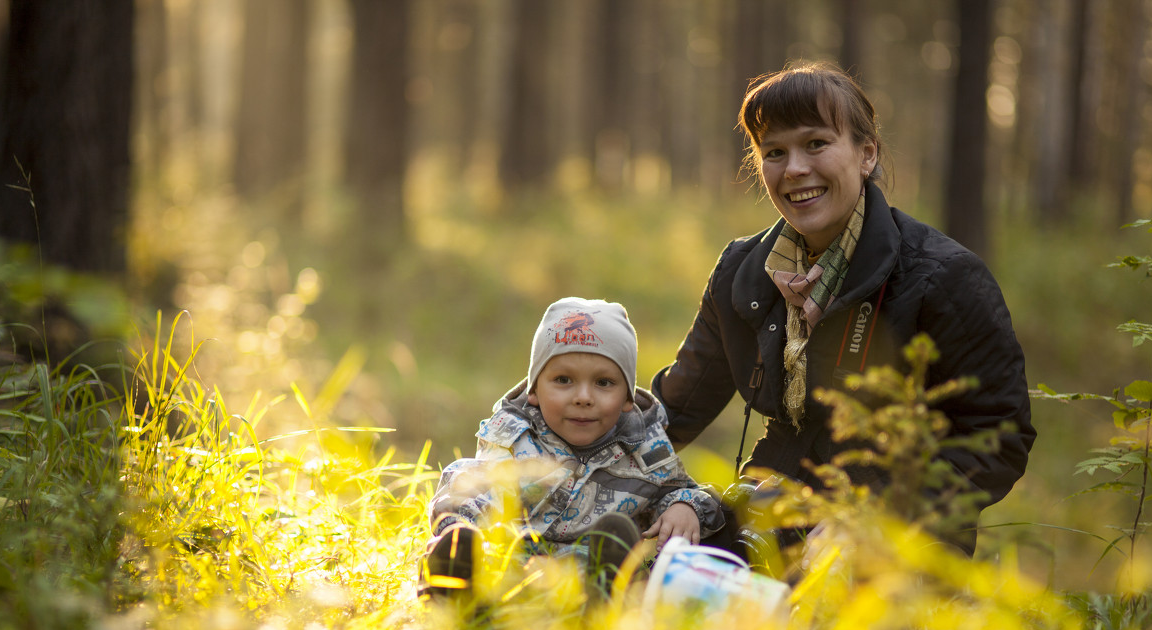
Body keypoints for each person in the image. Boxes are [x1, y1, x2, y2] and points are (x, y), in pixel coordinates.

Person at [651, 61, 1035, 557]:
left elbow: (997, 437)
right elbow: (674, 410)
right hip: (770, 514)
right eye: (775, 152)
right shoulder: (742, 272)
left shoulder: (941, 277)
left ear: (866, 153)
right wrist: (549, 422)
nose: (794, 169)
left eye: (816, 144)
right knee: (648, 563)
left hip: (900, 545)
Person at [422, 297, 725, 602]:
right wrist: (462, 527)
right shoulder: (515, 439)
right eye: (563, 380)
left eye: (603, 383)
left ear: (627, 399)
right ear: (535, 390)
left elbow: (685, 491)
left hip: (584, 573)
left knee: (624, 548)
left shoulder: (646, 453)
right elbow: (474, 493)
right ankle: (457, 571)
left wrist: (686, 506)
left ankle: (604, 595)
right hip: (507, 561)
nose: (583, 397)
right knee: (464, 476)